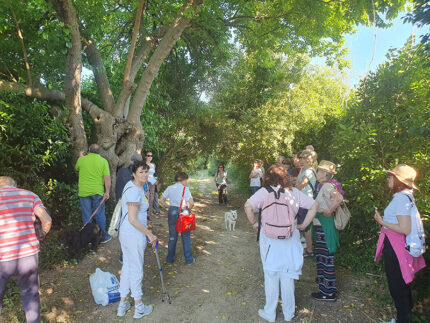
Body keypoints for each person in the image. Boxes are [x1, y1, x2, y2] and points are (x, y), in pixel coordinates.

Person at [244, 165, 319, 322]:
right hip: (290, 238)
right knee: (287, 275)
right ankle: (288, 313)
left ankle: (270, 312)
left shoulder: (264, 192)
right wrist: (304, 225)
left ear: (268, 177)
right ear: (285, 177)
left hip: (269, 239)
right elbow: (314, 205)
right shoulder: (293, 192)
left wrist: (254, 223)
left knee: (270, 275)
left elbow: (248, 206)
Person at [373, 164, 426, 323]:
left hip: (396, 247)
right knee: (401, 286)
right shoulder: (404, 196)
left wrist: (381, 221)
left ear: (398, 180)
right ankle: (403, 319)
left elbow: (404, 228)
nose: (388, 178)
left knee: (397, 287)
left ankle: (403, 319)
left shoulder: (402, 198)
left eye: (391, 176)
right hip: (396, 246)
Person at [0, 176, 52, 323]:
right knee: (30, 296)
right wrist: (40, 237)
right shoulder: (29, 195)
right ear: (14, 185)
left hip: (2, 258)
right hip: (28, 255)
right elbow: (47, 220)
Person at [117, 161, 158, 319]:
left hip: (127, 234)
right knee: (136, 270)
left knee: (127, 267)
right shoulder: (134, 190)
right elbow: (133, 219)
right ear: (133, 174)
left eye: (146, 172)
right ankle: (139, 307)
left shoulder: (134, 186)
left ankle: (122, 305)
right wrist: (150, 234)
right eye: (141, 172)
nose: (145, 175)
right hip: (133, 234)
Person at [298, 160, 344, 302]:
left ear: (325, 173)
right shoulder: (323, 186)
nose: (316, 173)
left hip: (325, 227)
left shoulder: (327, 187)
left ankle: (328, 293)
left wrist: (329, 210)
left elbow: (339, 198)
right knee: (322, 257)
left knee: (326, 258)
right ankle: (324, 285)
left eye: (318, 171)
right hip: (321, 226)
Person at [75, 143, 112, 243]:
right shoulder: (103, 161)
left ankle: (88, 239)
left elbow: (76, 168)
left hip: (84, 192)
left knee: (87, 215)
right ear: (99, 152)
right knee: (99, 214)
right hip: (97, 192)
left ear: (89, 151)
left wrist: (81, 157)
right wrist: (107, 192)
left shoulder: (81, 160)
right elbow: (107, 178)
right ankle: (103, 236)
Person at [159, 172, 195, 265]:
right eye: (186, 179)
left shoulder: (169, 188)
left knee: (172, 236)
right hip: (184, 211)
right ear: (182, 180)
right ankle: (189, 259)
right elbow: (191, 203)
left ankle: (170, 259)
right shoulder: (185, 189)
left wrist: (169, 207)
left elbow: (161, 200)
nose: (187, 181)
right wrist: (188, 210)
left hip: (172, 212)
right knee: (186, 237)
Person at [295, 150, 317, 258]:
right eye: (301, 158)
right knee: (302, 224)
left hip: (306, 202)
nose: (301, 161)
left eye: (303, 159)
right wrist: (301, 170)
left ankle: (309, 250)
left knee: (307, 227)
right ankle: (305, 249)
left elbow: (300, 186)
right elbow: (297, 184)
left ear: (309, 160)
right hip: (301, 201)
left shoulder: (309, 171)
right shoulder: (305, 170)